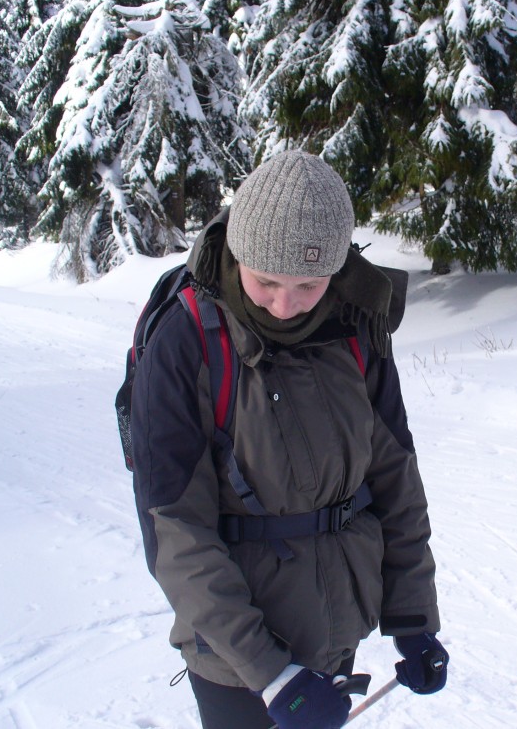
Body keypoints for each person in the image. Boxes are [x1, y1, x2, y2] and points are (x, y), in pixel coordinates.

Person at [130, 150, 448, 729]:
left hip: (336, 633)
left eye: (308, 284)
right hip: (236, 662)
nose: (284, 304)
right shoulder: (186, 340)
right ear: (239, 255)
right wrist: (272, 674)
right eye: (266, 281)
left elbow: (395, 478)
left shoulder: (355, 324)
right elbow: (175, 532)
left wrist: (414, 619)